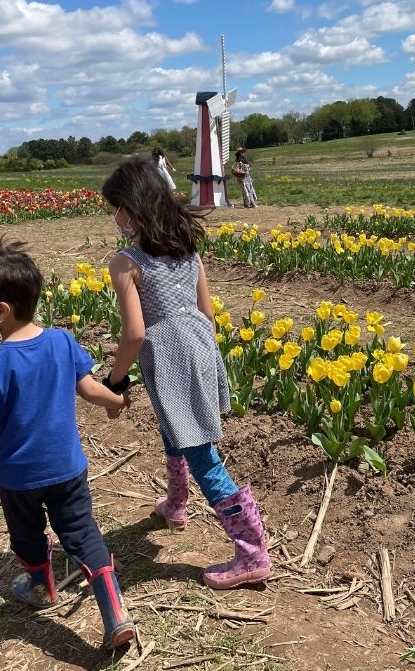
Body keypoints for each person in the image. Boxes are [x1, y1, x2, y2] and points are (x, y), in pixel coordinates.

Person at [0, 237, 135, 650]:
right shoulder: (61, 341)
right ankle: (115, 612)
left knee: (27, 536)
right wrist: (118, 401)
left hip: (19, 477)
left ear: (1, 310)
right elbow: (91, 390)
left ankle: (41, 586)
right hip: (68, 467)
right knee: (83, 533)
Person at [102, 158, 271, 590]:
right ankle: (175, 503)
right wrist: (202, 354)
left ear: (131, 207)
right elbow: (208, 312)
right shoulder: (186, 249)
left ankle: (251, 551)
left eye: (115, 208)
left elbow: (134, 333)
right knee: (176, 429)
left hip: (168, 355)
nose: (114, 218)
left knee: (200, 453)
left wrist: (115, 380)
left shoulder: (126, 261)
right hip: (199, 345)